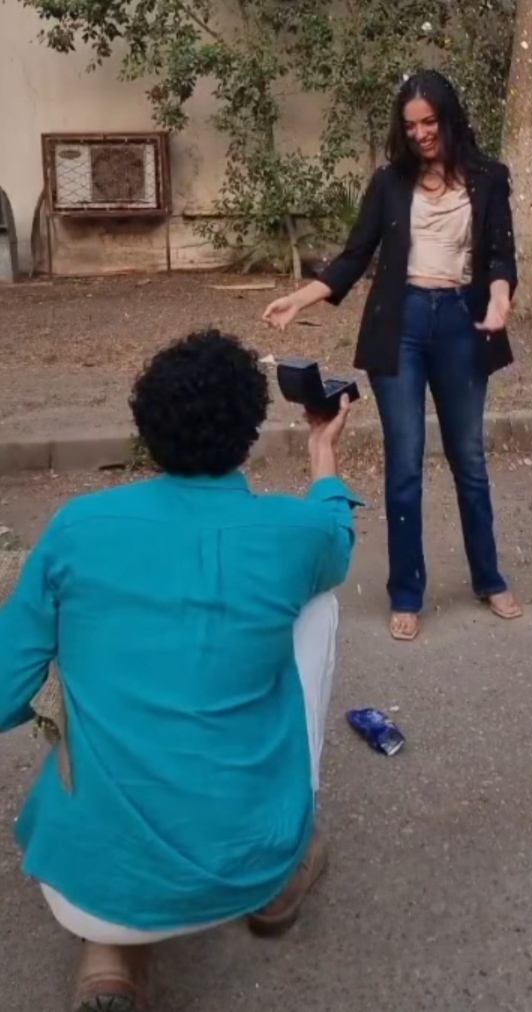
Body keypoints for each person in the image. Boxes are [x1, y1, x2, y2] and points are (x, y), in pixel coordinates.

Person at [0, 330, 361, 1011]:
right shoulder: (294, 534)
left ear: (147, 428)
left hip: (90, 887)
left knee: (87, 690)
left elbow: (3, 692)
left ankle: (111, 960)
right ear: (249, 431)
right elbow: (336, 539)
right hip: (246, 868)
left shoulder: (78, 528)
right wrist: (323, 454)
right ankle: (283, 871)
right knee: (318, 603)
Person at [263, 69, 522, 642]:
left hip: (462, 323)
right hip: (400, 325)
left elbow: (502, 257)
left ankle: (488, 577)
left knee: (468, 459)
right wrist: (301, 298)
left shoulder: (489, 178)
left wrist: (500, 297)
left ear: (449, 118)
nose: (421, 134)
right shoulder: (389, 182)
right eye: (410, 126)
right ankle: (406, 591)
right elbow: (355, 255)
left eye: (429, 122)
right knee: (404, 464)